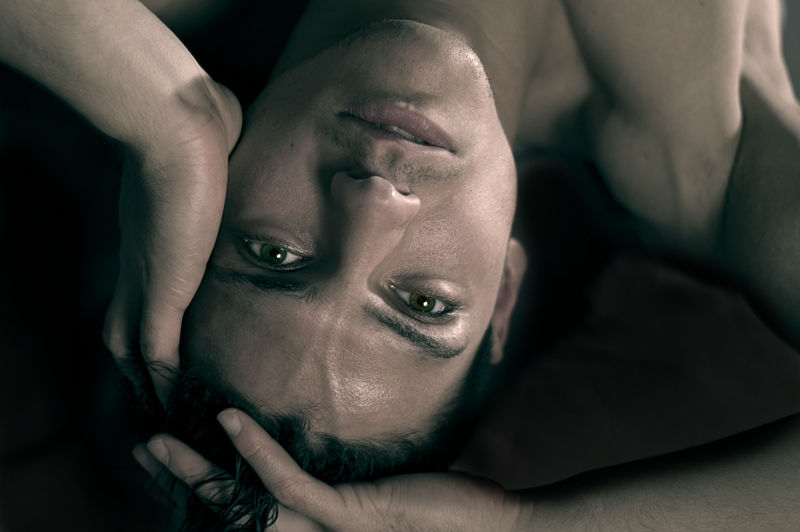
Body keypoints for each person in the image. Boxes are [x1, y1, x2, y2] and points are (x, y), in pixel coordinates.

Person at [2, 0, 799, 529]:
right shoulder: (701, 153)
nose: (376, 202)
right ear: (503, 293)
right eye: (422, 304)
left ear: (188, 210)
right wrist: (525, 526)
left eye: (274, 254)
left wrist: (172, 117)